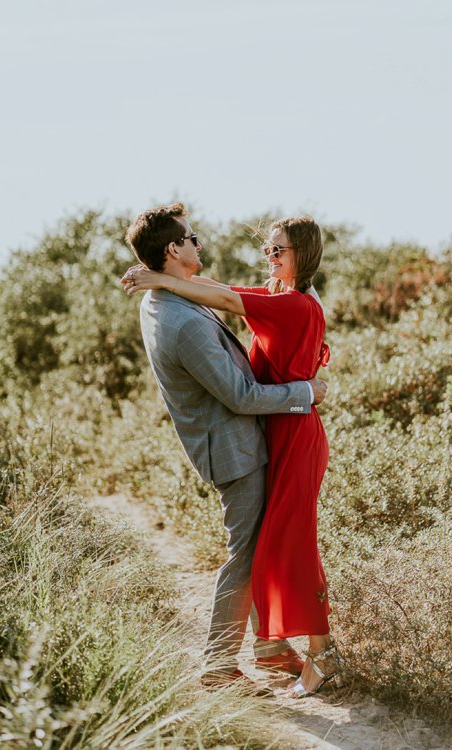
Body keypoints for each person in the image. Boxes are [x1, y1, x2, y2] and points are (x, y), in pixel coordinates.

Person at [124, 214, 340, 699]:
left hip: (273, 437)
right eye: (191, 237)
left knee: (273, 543)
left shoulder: (167, 299)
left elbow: (219, 291)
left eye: (278, 249)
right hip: (238, 446)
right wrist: (306, 389)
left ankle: (269, 646)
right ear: (174, 250)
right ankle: (220, 667)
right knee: (247, 554)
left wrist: (156, 277)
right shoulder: (179, 319)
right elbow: (241, 394)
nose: (199, 242)